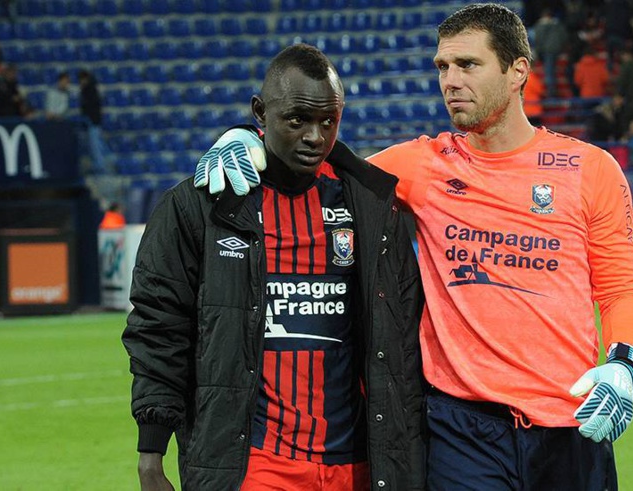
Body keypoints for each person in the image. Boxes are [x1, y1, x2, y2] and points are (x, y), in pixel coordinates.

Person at [195, 4, 633, 490]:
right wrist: (249, 136)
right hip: (461, 431)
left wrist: (623, 365)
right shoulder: (422, 167)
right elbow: (312, 160)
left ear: (518, 70)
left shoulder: (590, 169)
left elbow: (620, 287)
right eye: (442, 67)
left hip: (572, 419)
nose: (450, 80)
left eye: (468, 65)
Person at [122, 44, 425, 491]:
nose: (315, 137)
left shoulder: (371, 209)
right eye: (297, 119)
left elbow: (401, 345)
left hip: (358, 466)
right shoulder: (200, 207)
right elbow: (159, 327)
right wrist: (151, 456)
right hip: (255, 464)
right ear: (260, 112)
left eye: (329, 121)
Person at [78, 69, 109, 173]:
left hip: (93, 121)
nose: (81, 81)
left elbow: (91, 107)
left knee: (95, 144)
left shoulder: (89, 90)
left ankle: (99, 166)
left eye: (82, 79)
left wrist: (89, 118)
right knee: (95, 144)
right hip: (93, 121)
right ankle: (99, 164)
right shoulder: (90, 89)